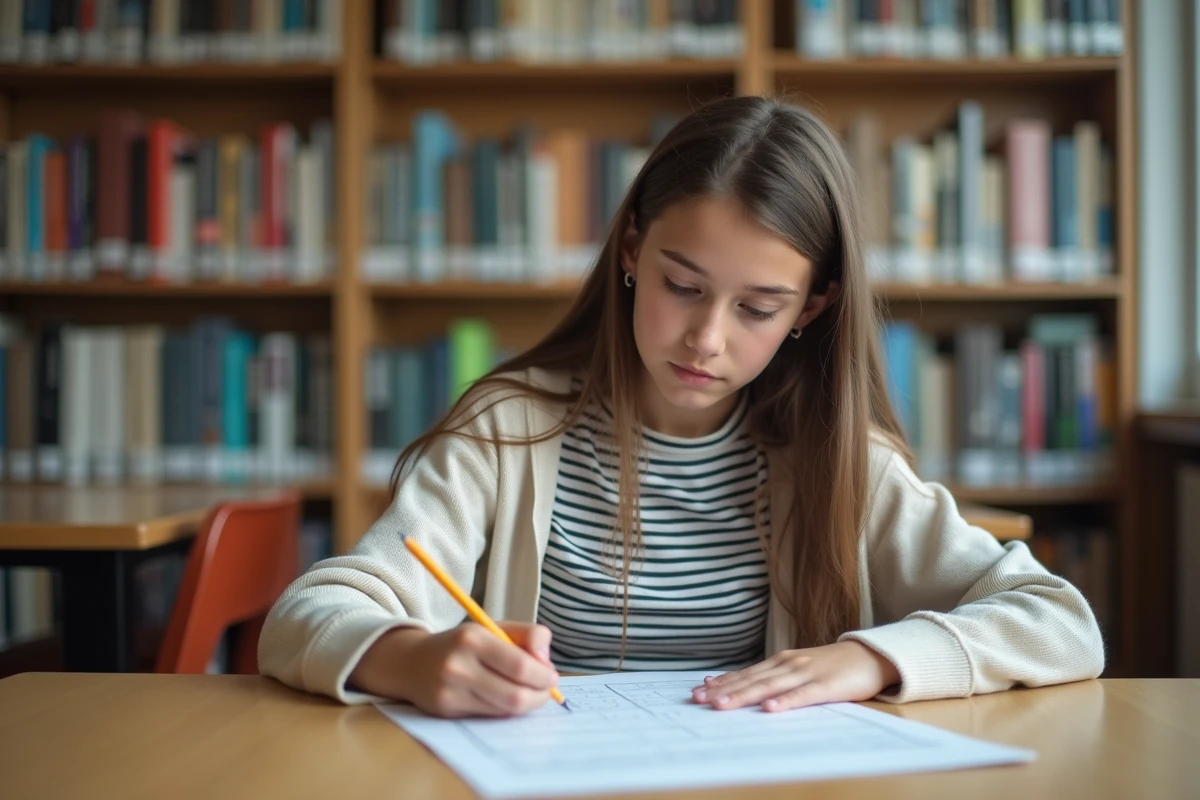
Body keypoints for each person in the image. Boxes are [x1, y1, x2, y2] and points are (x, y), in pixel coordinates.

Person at [258, 96, 1105, 718]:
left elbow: (1061, 622)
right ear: (632, 252)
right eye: (682, 286)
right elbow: (305, 615)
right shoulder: (507, 431)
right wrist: (409, 659)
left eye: (757, 308)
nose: (705, 337)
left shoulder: (837, 458)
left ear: (811, 309)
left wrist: (871, 659)